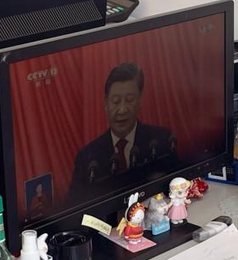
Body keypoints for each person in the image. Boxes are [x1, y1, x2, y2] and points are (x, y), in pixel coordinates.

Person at [67, 62, 176, 205]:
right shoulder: (87, 158)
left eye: (130, 100)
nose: (122, 110)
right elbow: (73, 206)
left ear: (140, 100)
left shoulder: (161, 139)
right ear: (106, 103)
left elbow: (178, 185)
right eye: (116, 101)